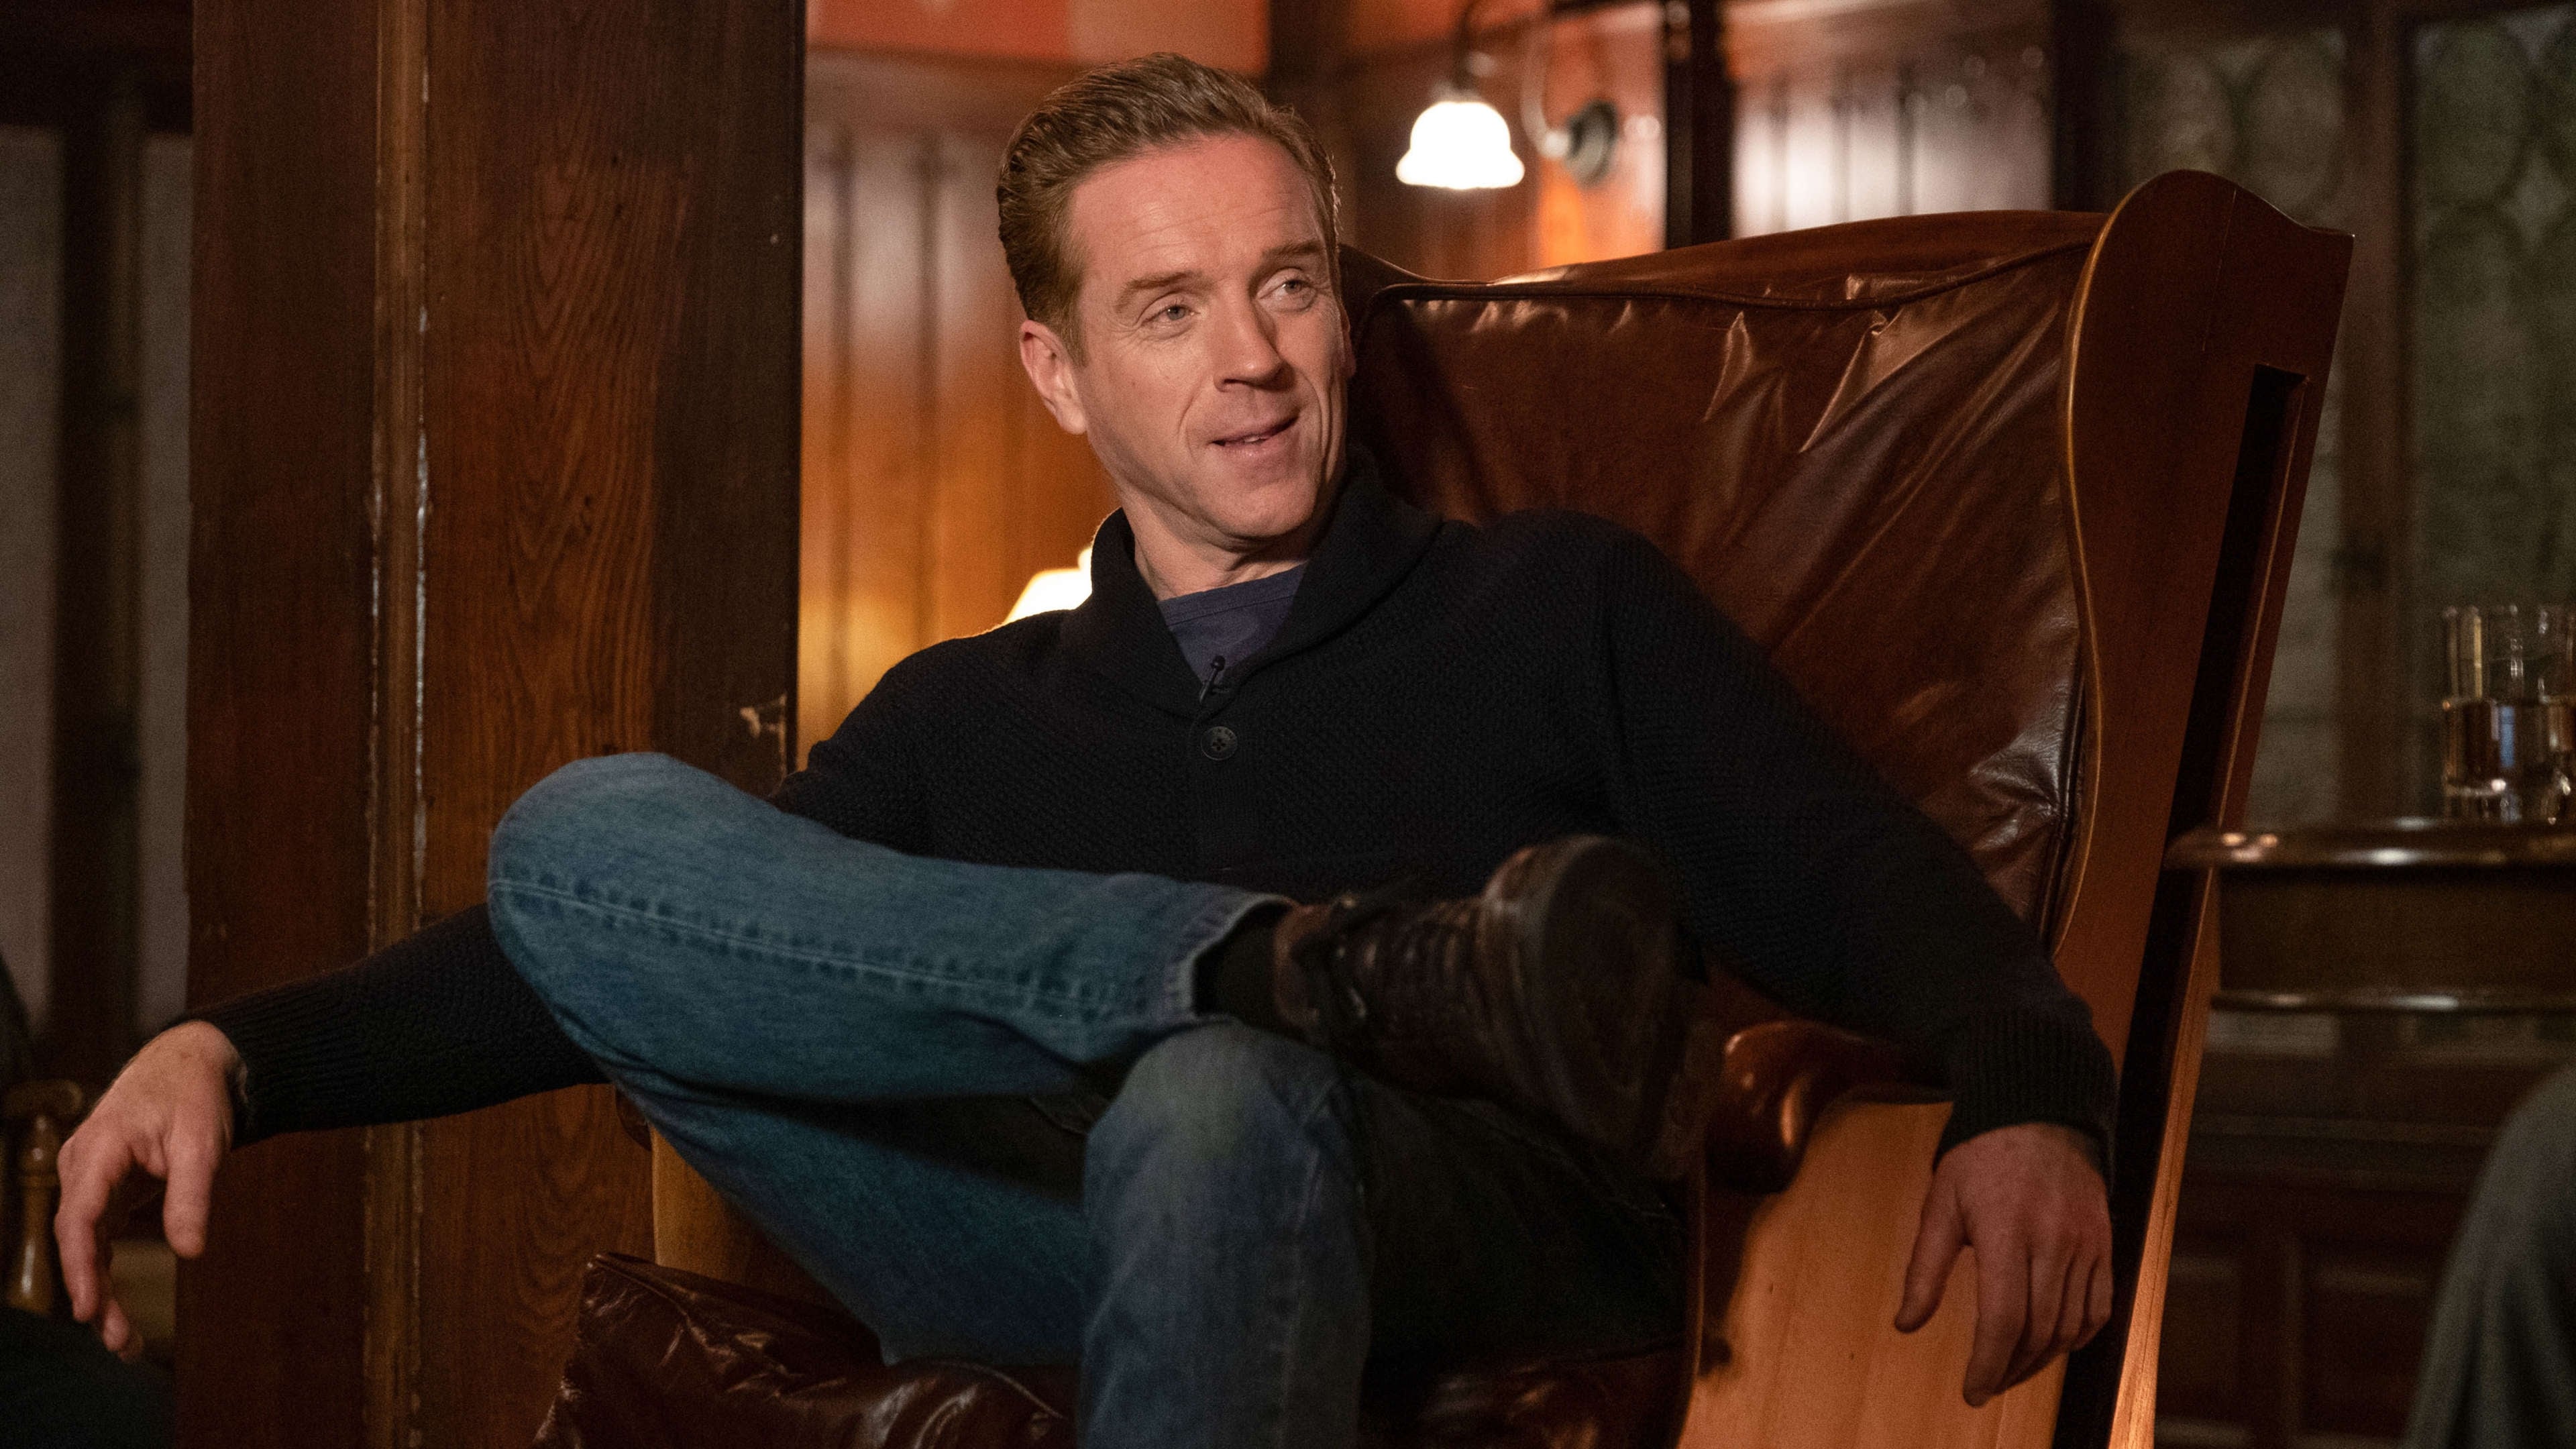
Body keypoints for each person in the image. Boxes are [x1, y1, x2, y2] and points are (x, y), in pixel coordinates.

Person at [55, 54, 2116, 1448]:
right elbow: (605, 948)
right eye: (1171, 308)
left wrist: (2029, 1083)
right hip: (1042, 1229)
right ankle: (1280, 967)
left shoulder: (1551, 603)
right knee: (583, 839)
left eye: (1288, 286)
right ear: (1057, 370)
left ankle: (1273, 1011)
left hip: (1468, 1220)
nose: (1255, 358)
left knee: (1216, 1099)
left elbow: (1847, 862)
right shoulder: (971, 714)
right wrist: (240, 1053)